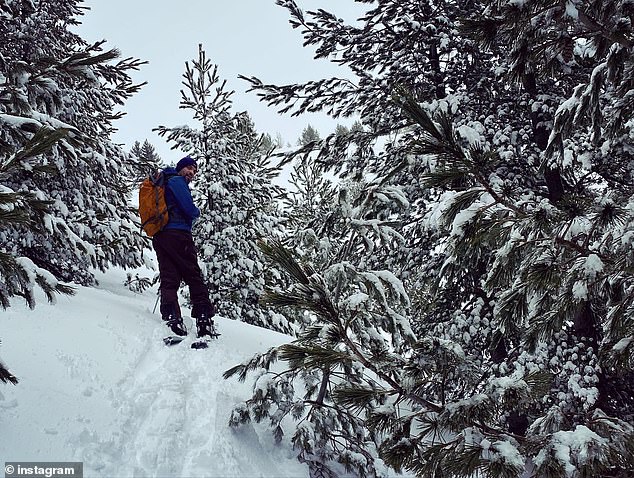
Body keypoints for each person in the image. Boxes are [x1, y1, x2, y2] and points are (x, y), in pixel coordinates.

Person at [152, 155, 215, 339]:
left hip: (161, 236)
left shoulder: (164, 183)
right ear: (181, 168)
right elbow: (188, 208)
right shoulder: (177, 181)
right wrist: (196, 212)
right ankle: (204, 319)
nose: (192, 173)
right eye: (189, 168)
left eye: (194, 171)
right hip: (179, 234)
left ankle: (172, 318)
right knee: (193, 275)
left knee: (169, 277)